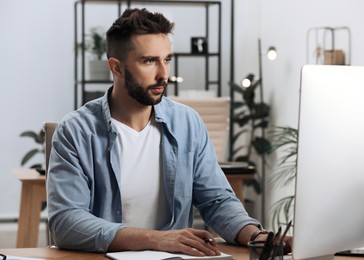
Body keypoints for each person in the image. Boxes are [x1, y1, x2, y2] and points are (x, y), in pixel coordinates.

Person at [47, 8, 289, 256]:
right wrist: (155, 239)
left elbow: (217, 201)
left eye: (167, 60)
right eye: (149, 61)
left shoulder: (187, 123)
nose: (164, 74)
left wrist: (258, 236)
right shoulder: (75, 131)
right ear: (116, 68)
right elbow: (66, 222)